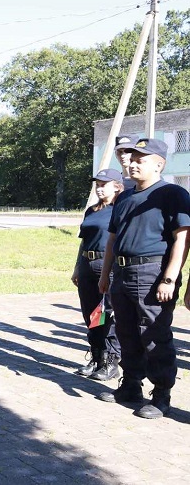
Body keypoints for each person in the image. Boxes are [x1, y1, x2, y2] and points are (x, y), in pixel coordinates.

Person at [97, 138, 190, 419]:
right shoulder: (125, 197)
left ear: (159, 165)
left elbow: (183, 238)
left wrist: (169, 278)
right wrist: (105, 274)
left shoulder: (172, 194)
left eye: (141, 160)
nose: (133, 164)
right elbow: (112, 238)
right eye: (132, 159)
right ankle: (131, 385)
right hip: (122, 272)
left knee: (154, 334)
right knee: (125, 332)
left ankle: (161, 394)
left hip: (152, 272)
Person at [71, 168, 123, 380]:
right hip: (87, 263)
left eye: (104, 185)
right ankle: (97, 357)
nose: (99, 189)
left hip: (107, 264)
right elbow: (84, 240)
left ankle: (112, 361)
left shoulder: (120, 209)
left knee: (108, 313)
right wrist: (77, 266)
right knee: (91, 314)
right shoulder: (92, 210)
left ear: (117, 186)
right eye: (97, 185)